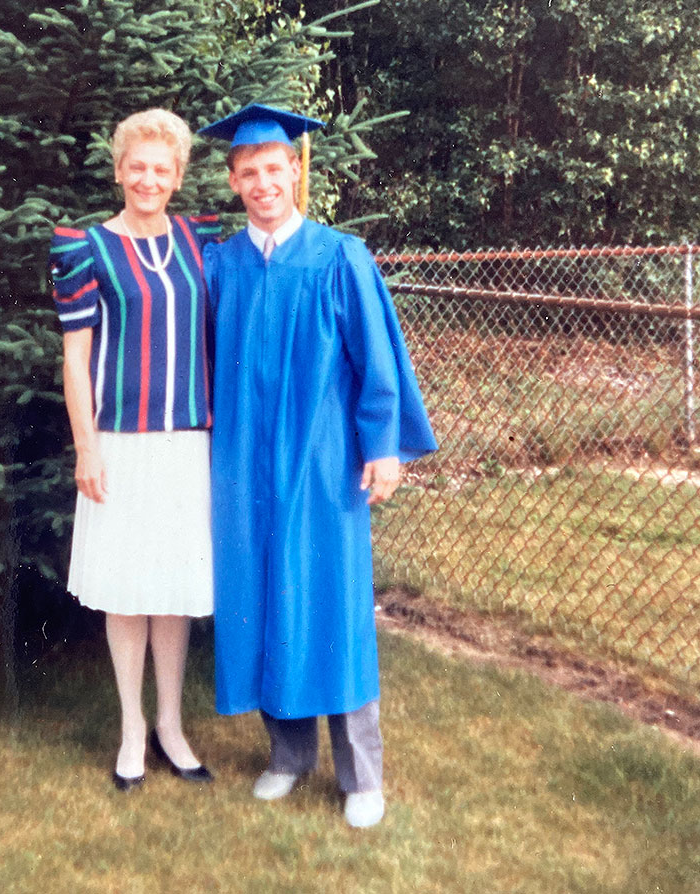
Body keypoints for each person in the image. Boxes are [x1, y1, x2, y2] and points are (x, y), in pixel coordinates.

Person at [198, 104, 437, 827]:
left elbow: (377, 360)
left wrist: (383, 445)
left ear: (296, 172)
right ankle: (288, 755)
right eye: (250, 173)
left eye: (276, 169)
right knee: (261, 598)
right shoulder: (221, 266)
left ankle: (362, 775)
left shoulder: (341, 256)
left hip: (323, 461)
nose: (264, 182)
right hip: (241, 464)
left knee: (330, 604)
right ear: (234, 182)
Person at [49, 108, 219, 791]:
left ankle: (171, 727)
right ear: (119, 170)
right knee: (126, 591)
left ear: (177, 176)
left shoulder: (201, 240)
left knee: (172, 591)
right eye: (137, 166)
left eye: (162, 168)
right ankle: (129, 731)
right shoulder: (86, 248)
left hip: (186, 444)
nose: (148, 178)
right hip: (118, 442)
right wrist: (85, 446)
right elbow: (75, 357)